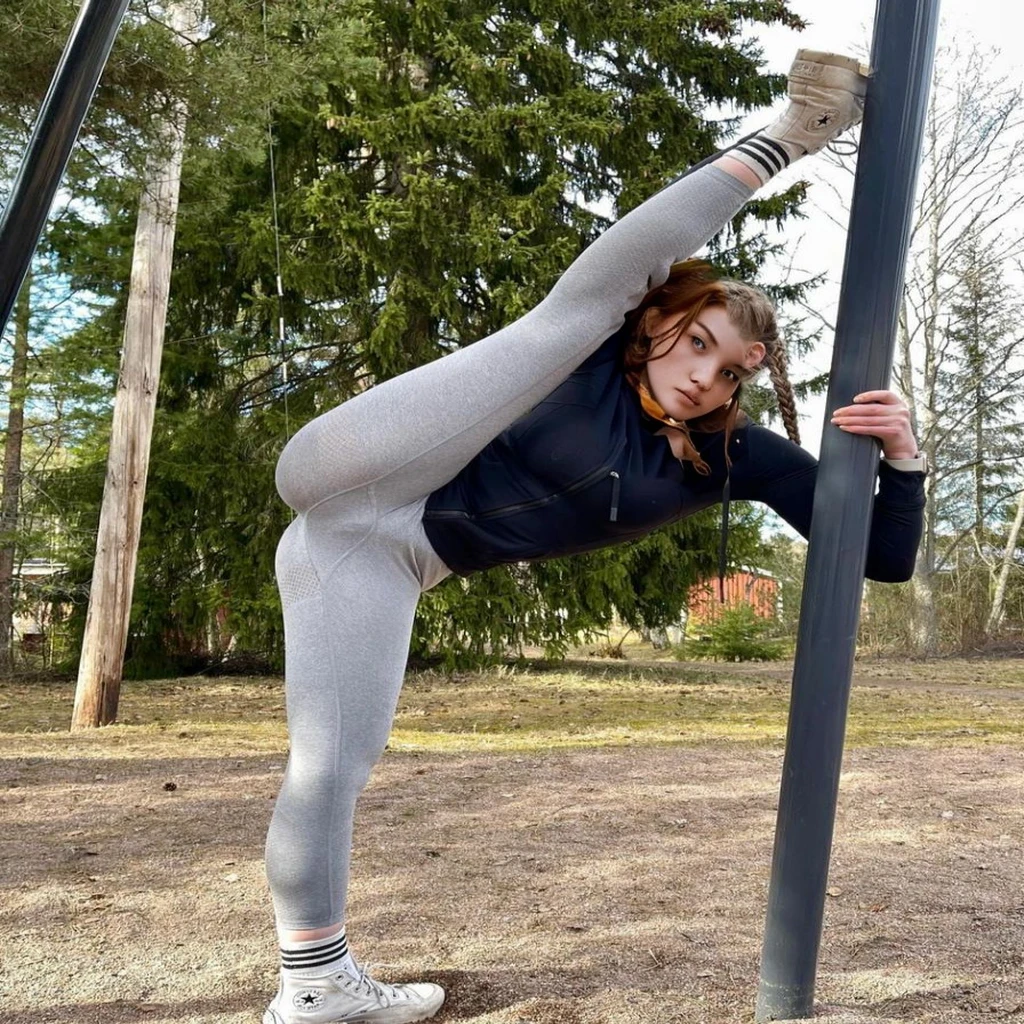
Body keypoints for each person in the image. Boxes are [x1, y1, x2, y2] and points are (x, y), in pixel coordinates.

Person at [262, 50, 926, 1024]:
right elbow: (635, 257)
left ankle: (314, 984)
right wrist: (790, 139)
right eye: (696, 340)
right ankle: (798, 124)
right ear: (660, 327)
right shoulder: (589, 359)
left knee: (332, 764)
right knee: (556, 319)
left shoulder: (731, 458)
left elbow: (881, 557)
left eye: (732, 368)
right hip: (357, 470)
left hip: (381, 554)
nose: (707, 376)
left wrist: (904, 461)